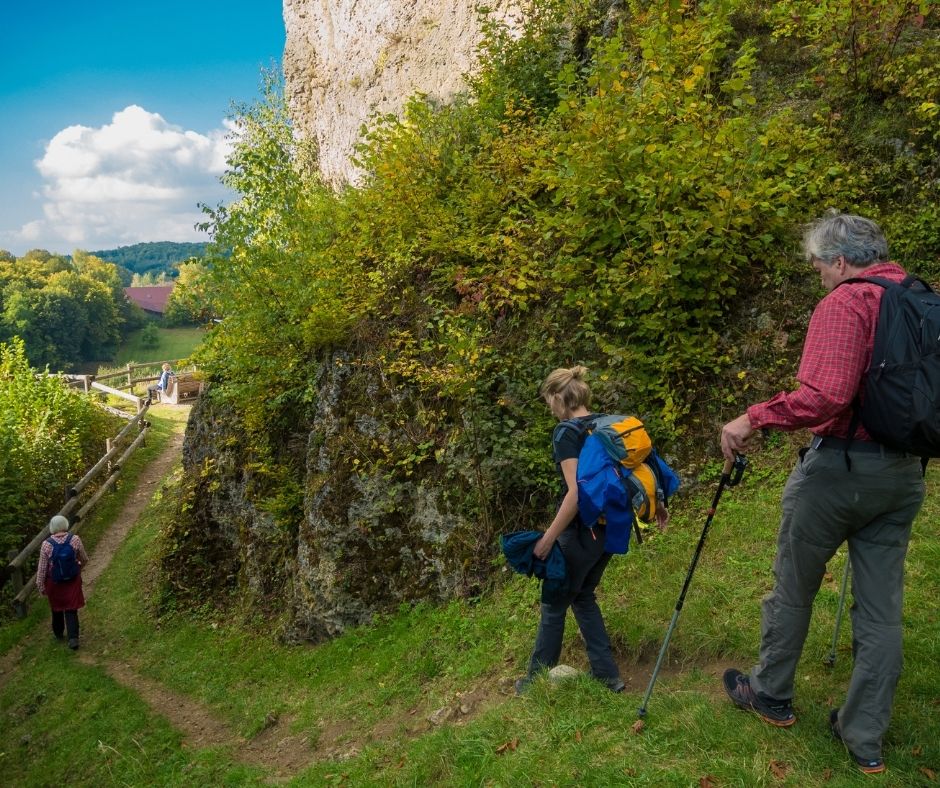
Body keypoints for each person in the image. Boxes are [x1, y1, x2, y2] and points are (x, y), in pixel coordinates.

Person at [719, 212, 925, 774]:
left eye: (816, 265)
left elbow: (825, 397)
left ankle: (771, 693)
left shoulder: (846, 302)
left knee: (794, 584)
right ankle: (863, 736)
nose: (817, 276)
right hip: (903, 473)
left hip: (839, 470)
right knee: (882, 612)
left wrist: (753, 419)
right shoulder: (918, 298)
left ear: (839, 260)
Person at [516, 366, 668, 695]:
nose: (550, 409)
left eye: (548, 402)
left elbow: (575, 494)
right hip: (611, 531)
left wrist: (547, 539)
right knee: (583, 597)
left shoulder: (566, 433)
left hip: (581, 534)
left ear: (558, 397)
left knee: (554, 602)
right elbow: (643, 466)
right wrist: (658, 505)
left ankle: (534, 682)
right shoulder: (608, 424)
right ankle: (607, 675)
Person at [36, 515, 89, 650]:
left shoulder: (46, 544)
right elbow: (84, 558)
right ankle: (73, 638)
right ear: (65, 525)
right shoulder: (75, 539)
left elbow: (42, 568)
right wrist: (78, 568)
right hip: (72, 580)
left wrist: (41, 586)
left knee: (56, 608)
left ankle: (58, 633)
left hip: (54, 583)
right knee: (71, 608)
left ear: (52, 527)